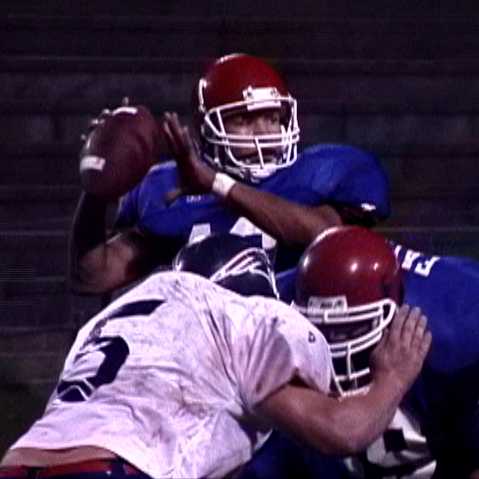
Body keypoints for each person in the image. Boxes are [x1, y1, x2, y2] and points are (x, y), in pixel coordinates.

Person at [1, 234, 430, 479]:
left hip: (19, 462)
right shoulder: (241, 317)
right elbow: (343, 432)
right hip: (111, 468)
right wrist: (393, 377)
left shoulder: (110, 319)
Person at [69, 53, 390, 295]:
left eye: (272, 118)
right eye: (244, 120)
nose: (265, 132)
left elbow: (326, 234)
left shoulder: (323, 170)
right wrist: (96, 185)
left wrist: (217, 185)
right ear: (206, 129)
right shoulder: (167, 187)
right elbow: (93, 276)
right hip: (206, 347)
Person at [270, 226, 479, 479]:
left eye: (350, 329)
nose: (334, 347)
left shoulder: (461, 325)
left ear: (394, 310)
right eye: (322, 329)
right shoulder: (269, 306)